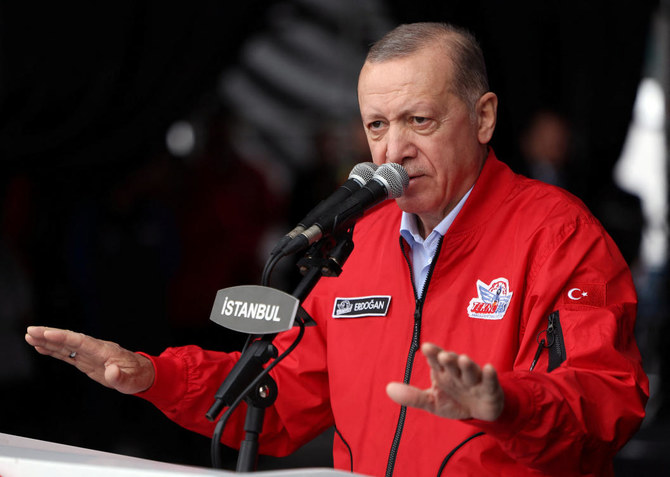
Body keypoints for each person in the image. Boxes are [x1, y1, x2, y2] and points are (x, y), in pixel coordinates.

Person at [25, 22, 648, 476]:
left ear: (483, 118)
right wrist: (154, 376)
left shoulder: (557, 233)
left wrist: (507, 405)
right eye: (377, 125)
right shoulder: (355, 240)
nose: (393, 150)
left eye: (419, 121)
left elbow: (608, 400)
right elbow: (283, 396)